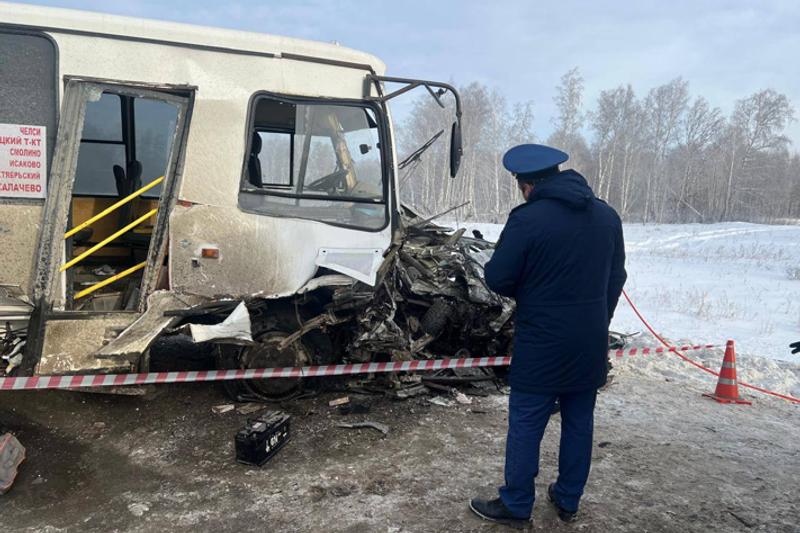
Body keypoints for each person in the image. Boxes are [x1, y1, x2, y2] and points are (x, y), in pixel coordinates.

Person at [469, 144, 627, 528]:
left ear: (526, 186)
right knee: (579, 421)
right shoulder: (607, 216)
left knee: (526, 422)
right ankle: (568, 499)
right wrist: (598, 318)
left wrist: (531, 288)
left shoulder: (527, 219)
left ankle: (516, 504)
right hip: (589, 342)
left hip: (541, 341)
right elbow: (616, 276)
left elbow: (498, 277)